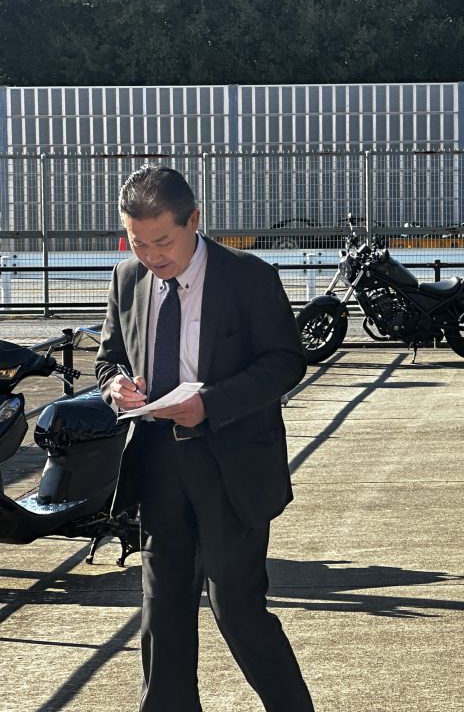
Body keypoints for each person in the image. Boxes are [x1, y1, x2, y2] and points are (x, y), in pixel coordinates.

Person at [95, 165, 314, 712]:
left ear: (194, 219)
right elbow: (108, 358)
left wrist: (210, 404)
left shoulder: (248, 277)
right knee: (162, 607)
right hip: (157, 463)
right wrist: (115, 386)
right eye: (138, 242)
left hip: (231, 463)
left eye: (162, 241)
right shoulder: (126, 278)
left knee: (236, 605)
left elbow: (285, 362)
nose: (151, 255)